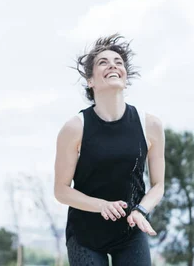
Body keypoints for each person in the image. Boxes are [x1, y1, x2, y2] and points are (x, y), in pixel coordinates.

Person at [54, 34, 165, 266]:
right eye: (103, 62)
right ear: (90, 81)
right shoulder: (75, 128)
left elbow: (158, 185)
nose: (113, 65)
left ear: (125, 76)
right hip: (85, 235)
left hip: (130, 231)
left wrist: (141, 210)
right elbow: (61, 191)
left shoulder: (150, 125)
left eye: (118, 62)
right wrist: (101, 205)